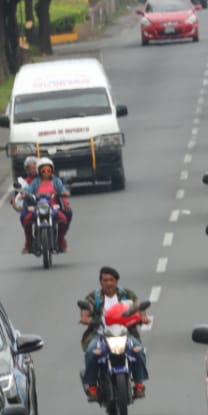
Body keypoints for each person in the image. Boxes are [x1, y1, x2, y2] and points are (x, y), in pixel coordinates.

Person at [79, 265, 150, 401]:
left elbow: (137, 306)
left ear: (116, 281)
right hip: (101, 335)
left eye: (111, 280)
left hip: (125, 333)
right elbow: (86, 310)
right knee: (91, 353)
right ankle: (93, 387)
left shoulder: (126, 294)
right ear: (101, 282)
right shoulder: (94, 297)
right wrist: (86, 319)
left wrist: (143, 316)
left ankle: (139, 384)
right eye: (105, 280)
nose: (108, 283)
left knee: (138, 351)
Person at [21, 157, 72, 253]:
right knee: (26, 220)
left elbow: (63, 190)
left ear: (52, 170)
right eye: (43, 171)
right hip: (38, 207)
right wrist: (24, 194)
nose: (46, 173)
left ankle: (61, 241)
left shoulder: (56, 181)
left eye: (48, 170)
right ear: (39, 171)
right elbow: (27, 190)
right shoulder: (35, 182)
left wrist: (65, 193)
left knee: (63, 219)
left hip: (53, 207)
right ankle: (29, 242)